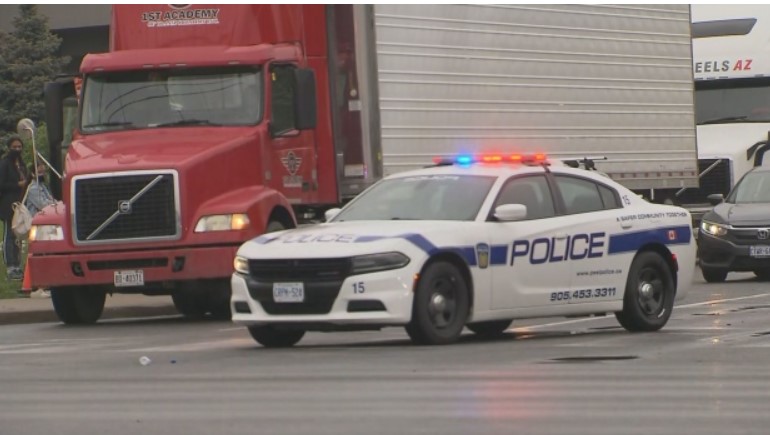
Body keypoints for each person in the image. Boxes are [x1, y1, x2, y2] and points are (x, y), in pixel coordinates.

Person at [0, 135, 28, 280]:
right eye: (15, 147)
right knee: (9, 235)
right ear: (9, 148)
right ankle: (10, 265)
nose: (17, 149)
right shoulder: (5, 164)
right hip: (8, 204)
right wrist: (16, 185)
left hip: (20, 204)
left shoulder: (21, 165)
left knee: (19, 235)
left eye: (19, 147)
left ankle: (17, 264)